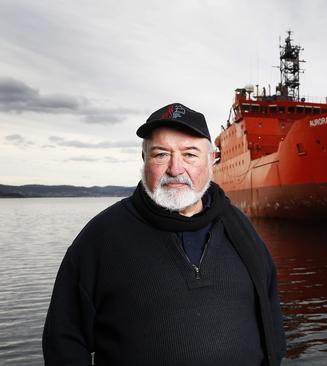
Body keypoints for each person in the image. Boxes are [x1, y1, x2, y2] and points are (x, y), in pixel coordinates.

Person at [43, 103, 286, 365]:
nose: (175, 169)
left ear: (212, 158)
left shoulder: (239, 227)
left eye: (190, 155)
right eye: (161, 155)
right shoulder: (101, 237)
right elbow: (64, 341)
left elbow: (270, 314)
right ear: (144, 159)